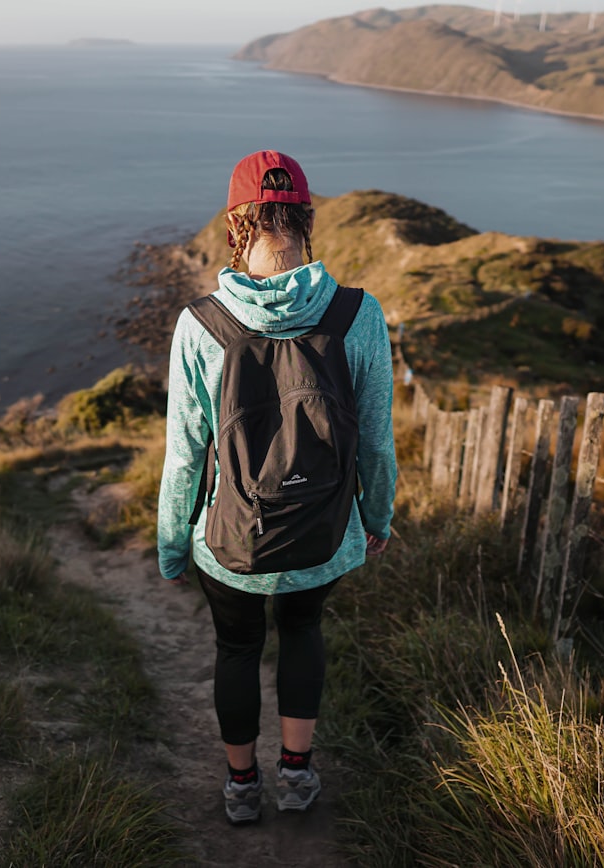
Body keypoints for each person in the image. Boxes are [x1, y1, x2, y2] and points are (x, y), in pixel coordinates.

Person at [157, 150, 397, 825]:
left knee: (235, 649)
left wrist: (174, 545)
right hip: (323, 533)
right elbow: (377, 441)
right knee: (304, 630)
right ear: (306, 217)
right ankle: (296, 777)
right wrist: (376, 516)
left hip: (231, 540)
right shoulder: (358, 314)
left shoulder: (200, 324)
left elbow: (184, 458)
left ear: (235, 223)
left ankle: (241, 787)